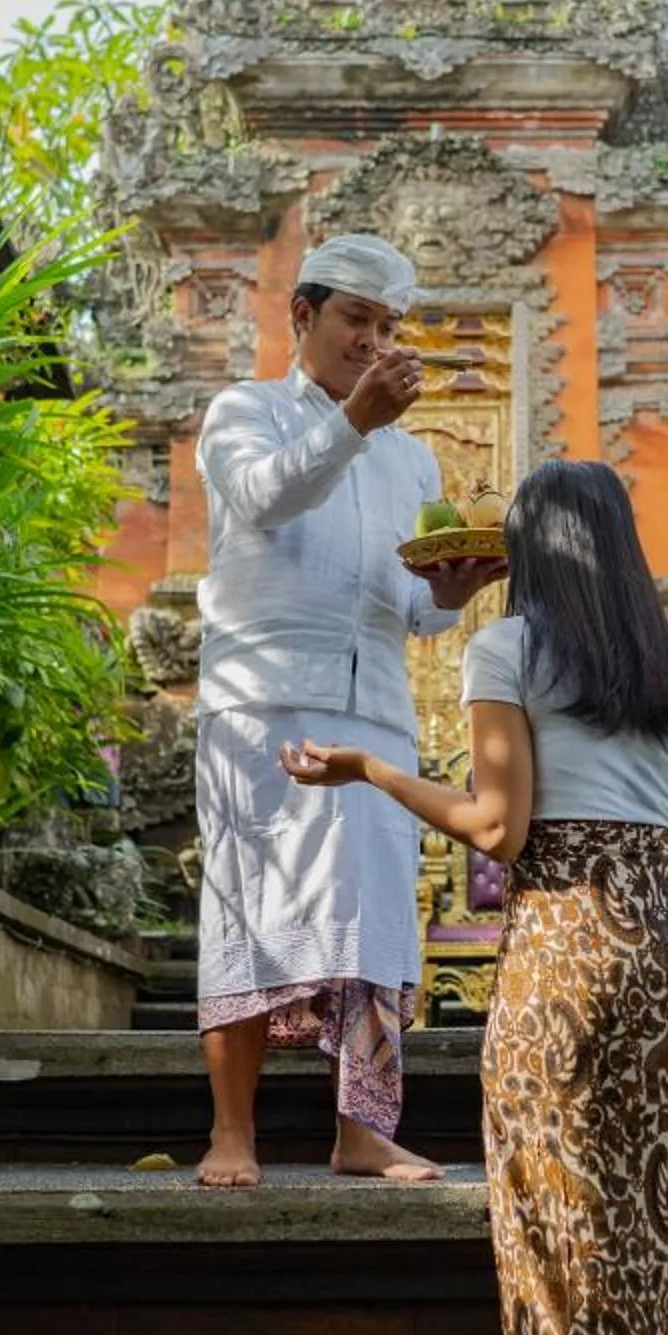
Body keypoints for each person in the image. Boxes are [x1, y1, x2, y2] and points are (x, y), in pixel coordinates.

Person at [282, 459, 668, 1335]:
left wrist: (370, 767)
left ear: (531, 551)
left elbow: (498, 826)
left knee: (560, 1251)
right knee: (661, 1263)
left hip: (573, 943)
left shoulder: (512, 650)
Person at [192, 232, 501, 1190]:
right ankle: (232, 1132)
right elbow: (261, 499)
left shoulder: (410, 464)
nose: (371, 341)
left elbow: (408, 609)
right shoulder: (243, 412)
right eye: (354, 321)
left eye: (385, 326)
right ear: (302, 318)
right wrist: (352, 424)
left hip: (373, 717)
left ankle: (361, 1131)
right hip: (261, 704)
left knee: (370, 923)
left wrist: (456, 589)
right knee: (245, 906)